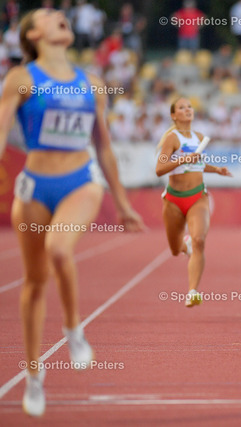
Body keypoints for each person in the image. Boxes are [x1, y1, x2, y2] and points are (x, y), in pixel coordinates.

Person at [0, 9, 145, 417]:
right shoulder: (21, 79)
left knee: (60, 250)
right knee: (33, 282)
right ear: (32, 33)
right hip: (34, 187)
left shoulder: (92, 84)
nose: (60, 16)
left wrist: (123, 204)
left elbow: (104, 148)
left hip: (81, 181)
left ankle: (73, 329)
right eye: (48, 15)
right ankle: (33, 376)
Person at [155, 97, 232, 308]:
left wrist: (217, 170)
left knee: (199, 240)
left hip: (198, 197)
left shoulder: (199, 137)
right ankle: (184, 245)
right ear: (174, 115)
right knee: (174, 249)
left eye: (189, 106)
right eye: (182, 107)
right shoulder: (172, 138)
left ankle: (192, 291)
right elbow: (159, 169)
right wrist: (182, 159)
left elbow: (197, 164)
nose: (187, 109)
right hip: (173, 200)